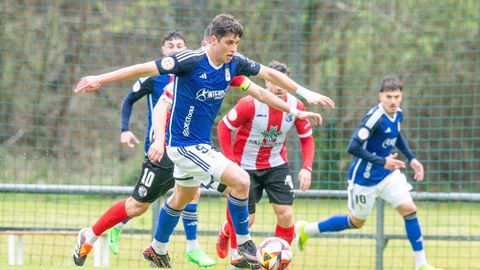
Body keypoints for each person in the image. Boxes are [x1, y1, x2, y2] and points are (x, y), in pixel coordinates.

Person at [73, 13, 334, 269]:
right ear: (211, 40)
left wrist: (300, 102)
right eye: (229, 43)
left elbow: (261, 90)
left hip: (196, 147)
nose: (234, 49)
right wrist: (101, 79)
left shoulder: (233, 67)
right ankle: (242, 247)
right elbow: (152, 83)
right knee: (240, 181)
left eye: (236, 44)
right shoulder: (186, 63)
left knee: (181, 197)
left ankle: (156, 248)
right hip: (179, 146)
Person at [72, 31, 215, 267]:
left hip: (190, 148)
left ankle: (186, 247)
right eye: (171, 46)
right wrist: (124, 129)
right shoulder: (155, 77)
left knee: (199, 190)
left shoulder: (197, 71)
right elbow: (128, 99)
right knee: (137, 206)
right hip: (160, 149)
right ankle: (91, 234)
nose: (176, 49)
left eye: (181, 45)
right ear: (163, 51)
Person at [294, 76, 442, 270]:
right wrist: (383, 161)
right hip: (364, 178)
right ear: (380, 96)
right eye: (389, 96)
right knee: (356, 222)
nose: (393, 101)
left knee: (410, 210)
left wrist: (412, 159)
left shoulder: (398, 114)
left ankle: (421, 264)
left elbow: (397, 135)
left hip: (388, 174)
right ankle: (307, 229)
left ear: (401, 96)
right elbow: (353, 146)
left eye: (397, 96)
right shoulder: (374, 118)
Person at [215, 60, 315, 269]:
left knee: (286, 214)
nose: (278, 87)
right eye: (272, 81)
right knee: (248, 220)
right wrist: (232, 163)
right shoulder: (249, 104)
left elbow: (306, 138)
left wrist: (307, 167)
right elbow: (223, 128)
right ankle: (226, 232)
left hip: (276, 165)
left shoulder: (296, 106)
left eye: (282, 83)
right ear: (265, 82)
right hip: (245, 167)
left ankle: (280, 262)